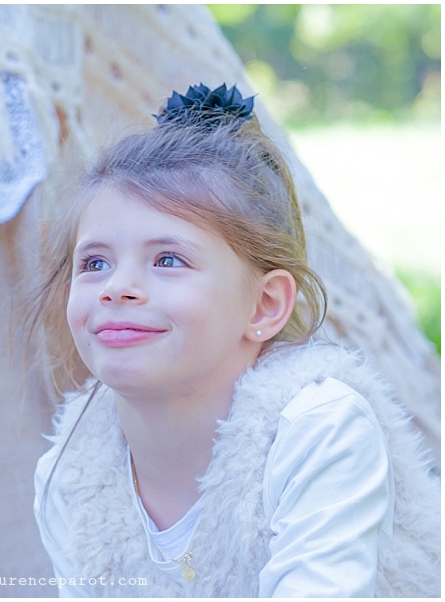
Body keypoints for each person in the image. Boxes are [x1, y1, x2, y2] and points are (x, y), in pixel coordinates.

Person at [30, 83, 441, 597]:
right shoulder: (70, 473)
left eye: (168, 260)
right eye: (94, 263)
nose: (116, 288)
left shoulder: (316, 431)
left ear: (264, 306)